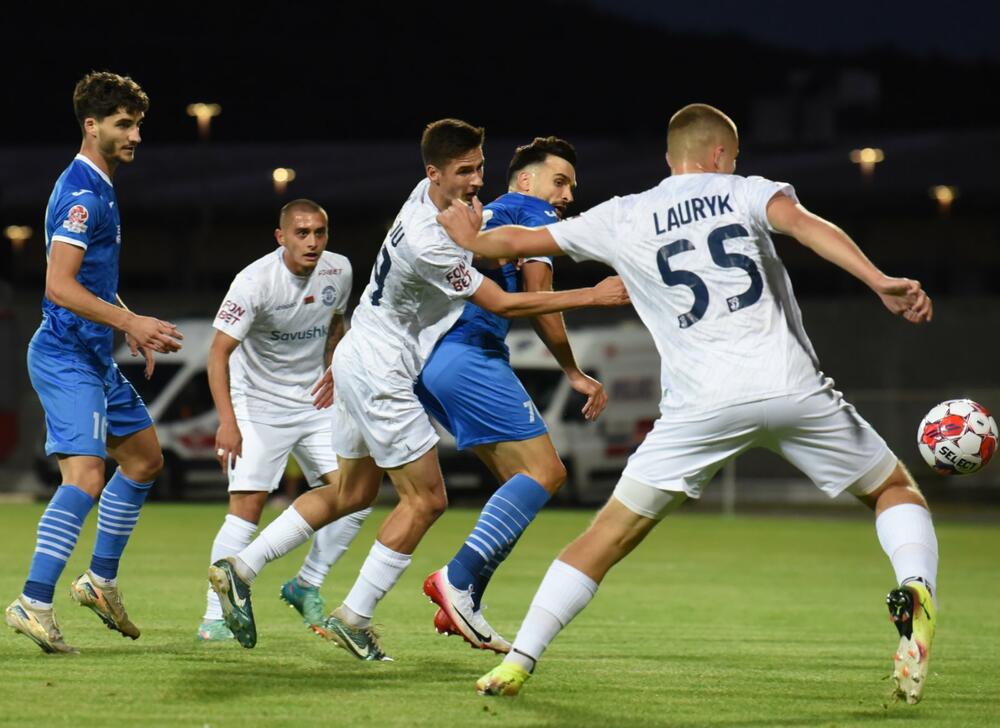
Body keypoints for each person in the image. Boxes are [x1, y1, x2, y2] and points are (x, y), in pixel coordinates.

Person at [438, 103, 938, 705]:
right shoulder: (745, 191)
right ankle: (914, 586)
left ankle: (518, 661)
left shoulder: (624, 215)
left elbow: (518, 240)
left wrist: (473, 237)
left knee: (605, 539)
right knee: (894, 490)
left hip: (699, 407)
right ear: (721, 155)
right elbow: (806, 225)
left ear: (671, 158)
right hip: (790, 387)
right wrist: (879, 279)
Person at [208, 119, 630, 659]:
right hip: (383, 369)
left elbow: (471, 233)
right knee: (427, 498)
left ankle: (241, 567)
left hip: (362, 353)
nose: (476, 181)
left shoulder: (426, 198)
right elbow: (503, 304)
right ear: (434, 174)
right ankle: (357, 614)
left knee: (350, 493)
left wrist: (475, 235)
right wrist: (592, 296)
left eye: (479, 167)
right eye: (464, 172)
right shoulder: (434, 241)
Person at [5, 71, 184, 654]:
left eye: (137, 124)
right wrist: (128, 322)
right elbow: (58, 285)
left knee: (144, 458)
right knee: (85, 477)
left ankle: (100, 581)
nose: (135, 135)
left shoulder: (100, 183)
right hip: (64, 356)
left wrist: (124, 318)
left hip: (93, 355)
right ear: (92, 125)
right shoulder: (84, 194)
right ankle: (33, 601)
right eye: (124, 124)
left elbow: (91, 279)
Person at [418, 136, 608, 653]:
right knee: (548, 472)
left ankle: (466, 598)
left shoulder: (490, 214)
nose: (567, 194)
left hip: (430, 361)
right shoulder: (532, 212)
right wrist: (573, 370)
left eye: (571, 185)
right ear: (526, 181)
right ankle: (456, 580)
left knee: (516, 484)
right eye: (560, 180)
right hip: (468, 352)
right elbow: (539, 299)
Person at [197, 199, 371, 642]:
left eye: (319, 232)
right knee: (247, 508)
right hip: (258, 405)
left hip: (314, 400)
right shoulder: (253, 281)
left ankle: (306, 582)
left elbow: (336, 326)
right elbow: (217, 353)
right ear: (281, 237)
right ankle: (215, 617)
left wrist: (337, 370)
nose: (312, 242)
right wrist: (227, 422)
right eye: (302, 233)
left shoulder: (340, 270)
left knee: (357, 493)